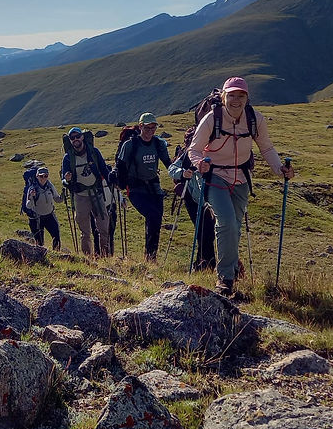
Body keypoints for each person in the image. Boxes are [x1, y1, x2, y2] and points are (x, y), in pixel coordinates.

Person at [188, 77, 295, 294]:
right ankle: (225, 278)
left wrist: (279, 169)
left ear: (247, 97)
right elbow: (194, 149)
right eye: (232, 95)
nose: (236, 100)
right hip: (215, 176)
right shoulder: (211, 119)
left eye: (241, 95)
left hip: (242, 178)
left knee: (235, 228)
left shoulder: (255, 119)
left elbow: (266, 148)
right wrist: (199, 163)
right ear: (223, 96)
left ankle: (231, 269)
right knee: (226, 222)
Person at [116, 112, 171, 261]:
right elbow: (120, 165)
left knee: (156, 221)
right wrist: (121, 184)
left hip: (154, 188)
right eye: (147, 128)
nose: (150, 132)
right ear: (140, 126)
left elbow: (168, 163)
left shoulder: (158, 143)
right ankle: (150, 257)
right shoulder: (130, 145)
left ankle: (150, 257)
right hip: (135, 189)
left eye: (153, 128)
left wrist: (179, 176)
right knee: (152, 216)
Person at [168, 130, 216, 271]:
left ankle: (204, 263)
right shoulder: (189, 154)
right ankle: (207, 264)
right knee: (205, 230)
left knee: (207, 231)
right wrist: (183, 173)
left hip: (208, 198)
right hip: (194, 197)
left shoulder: (215, 152)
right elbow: (172, 168)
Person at [61, 127, 111, 256]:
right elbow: (64, 180)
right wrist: (66, 180)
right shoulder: (68, 158)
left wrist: (113, 182)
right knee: (85, 232)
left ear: (82, 137)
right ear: (70, 140)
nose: (76, 139)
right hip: (80, 196)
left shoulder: (94, 152)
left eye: (78, 136)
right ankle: (88, 259)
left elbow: (104, 170)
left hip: (97, 193)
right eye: (72, 138)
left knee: (104, 228)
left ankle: (105, 257)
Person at [25, 166, 63, 249]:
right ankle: (41, 259)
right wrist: (31, 197)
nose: (43, 178)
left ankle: (57, 256)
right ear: (37, 176)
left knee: (56, 237)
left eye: (45, 176)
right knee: (39, 243)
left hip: (50, 216)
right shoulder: (32, 189)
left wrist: (63, 196)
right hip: (37, 219)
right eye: (41, 176)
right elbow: (28, 205)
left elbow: (57, 199)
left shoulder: (50, 186)